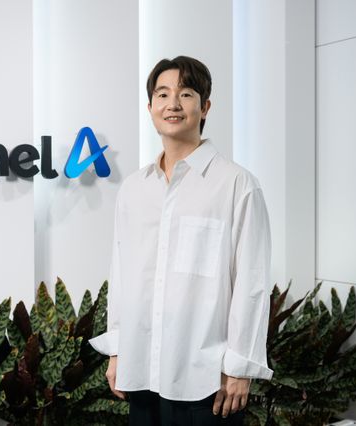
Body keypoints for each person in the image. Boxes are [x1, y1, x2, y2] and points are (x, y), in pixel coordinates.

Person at [89, 56, 274, 425]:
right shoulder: (134, 189)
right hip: (141, 371)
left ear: (205, 107)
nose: (172, 104)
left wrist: (240, 367)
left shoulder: (236, 184)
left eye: (185, 94)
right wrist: (118, 351)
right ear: (150, 108)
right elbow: (122, 276)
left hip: (207, 379)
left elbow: (251, 282)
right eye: (162, 94)